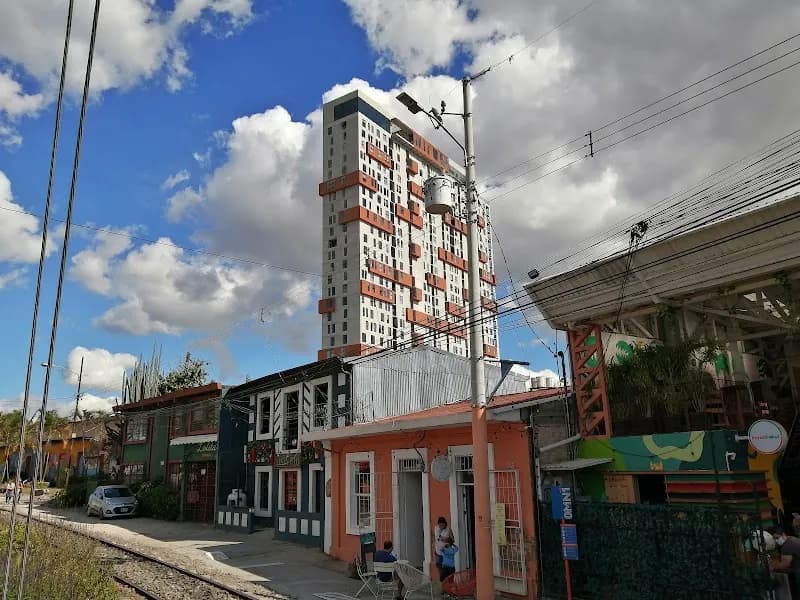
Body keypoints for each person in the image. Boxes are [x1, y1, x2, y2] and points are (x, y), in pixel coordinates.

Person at [770, 526, 800, 598]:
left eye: (777, 538)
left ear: (783, 534)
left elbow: (785, 564)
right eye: (774, 539)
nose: (776, 540)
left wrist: (773, 566)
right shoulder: (792, 538)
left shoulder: (786, 545)